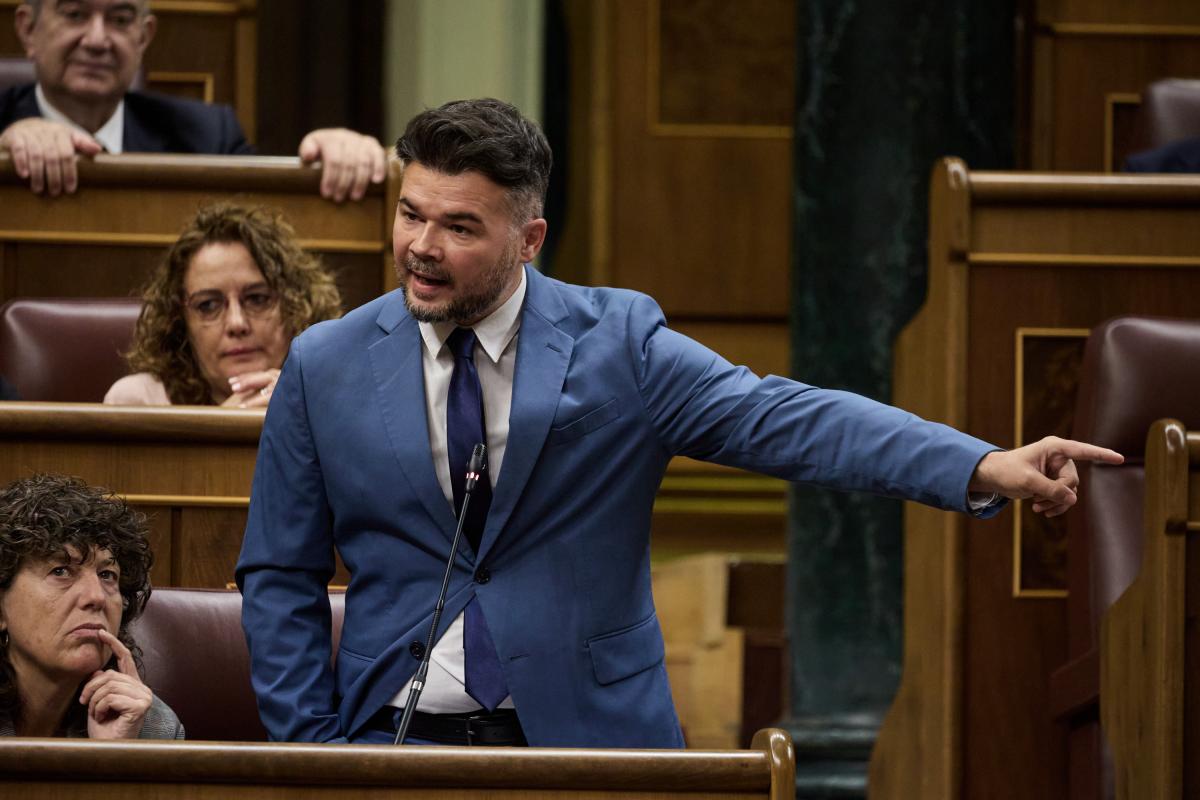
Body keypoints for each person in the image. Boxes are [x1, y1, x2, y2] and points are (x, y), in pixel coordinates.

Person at [236, 98, 1123, 748]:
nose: (422, 247)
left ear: (529, 240)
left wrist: (980, 465)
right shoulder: (326, 364)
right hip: (392, 742)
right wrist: (313, 746)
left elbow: (787, 418)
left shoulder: (617, 343)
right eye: (411, 214)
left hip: (591, 745)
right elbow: (280, 572)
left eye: (459, 227)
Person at [0, 0, 386, 201]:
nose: (98, 40)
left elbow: (271, 228)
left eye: (120, 20)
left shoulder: (206, 134)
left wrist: (331, 157)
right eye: (74, 14)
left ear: (143, 37)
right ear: (28, 30)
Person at [0, 473, 183, 738]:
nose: (96, 597)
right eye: (61, 571)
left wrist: (113, 755)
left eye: (107, 575)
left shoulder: (147, 723)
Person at [105, 202, 341, 407]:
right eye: (208, 305)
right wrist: (221, 427)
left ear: (296, 306)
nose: (237, 324)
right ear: (180, 323)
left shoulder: (336, 399)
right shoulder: (139, 401)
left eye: (257, 299)